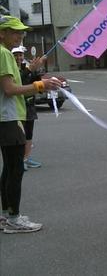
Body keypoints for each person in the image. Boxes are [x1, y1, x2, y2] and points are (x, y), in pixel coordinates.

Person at [0, 15, 61, 233]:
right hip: (9, 118)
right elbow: (10, 90)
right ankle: (14, 219)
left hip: (5, 118)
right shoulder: (4, 53)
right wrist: (40, 85)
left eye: (21, 31)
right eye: (15, 31)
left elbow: (12, 85)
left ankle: (6, 215)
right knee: (15, 169)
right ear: (2, 33)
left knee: (8, 168)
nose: (20, 35)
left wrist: (32, 76)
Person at [12, 46, 46, 170]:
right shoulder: (10, 68)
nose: (18, 58)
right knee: (19, 134)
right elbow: (17, 82)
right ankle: (19, 160)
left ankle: (26, 158)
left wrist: (36, 71)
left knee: (29, 134)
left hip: (29, 105)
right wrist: (30, 69)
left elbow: (36, 83)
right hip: (16, 106)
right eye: (16, 55)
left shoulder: (26, 68)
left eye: (20, 55)